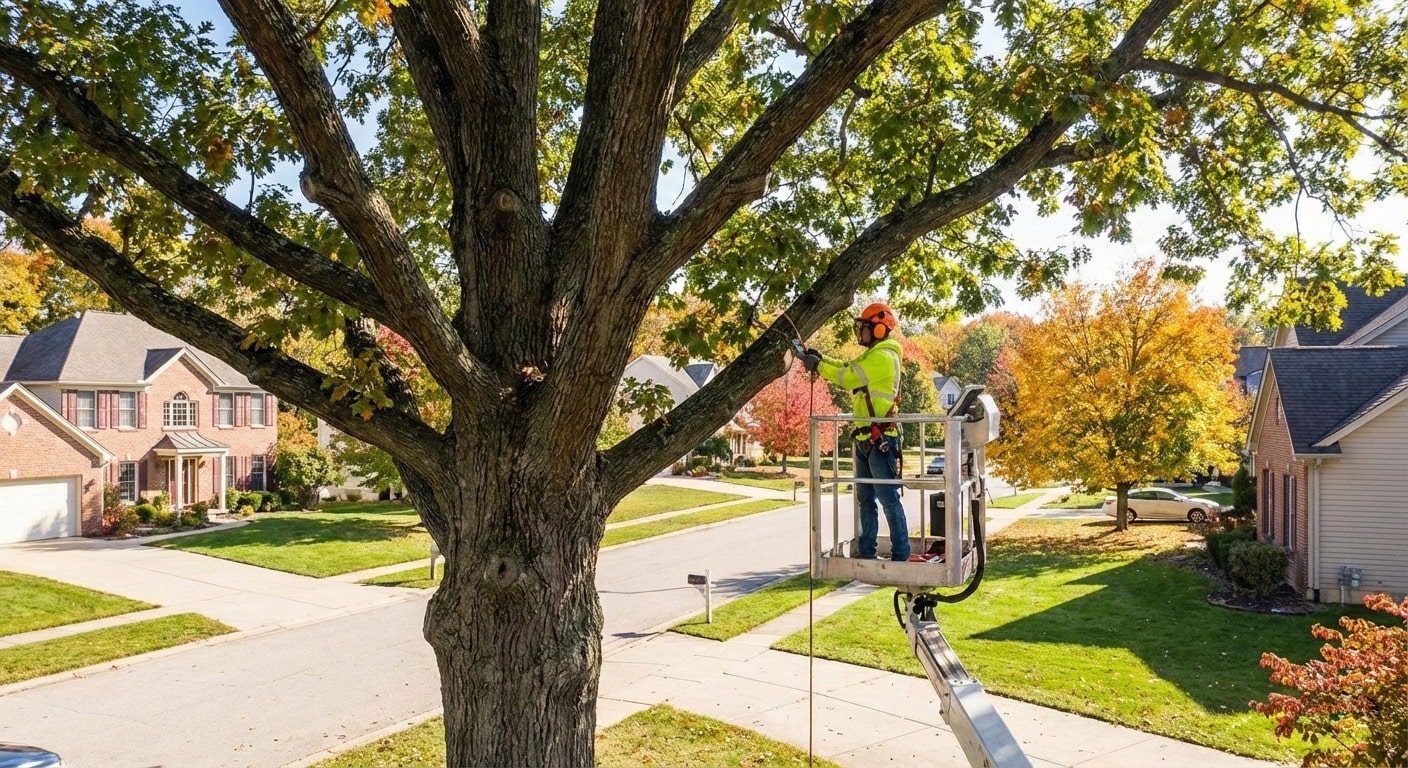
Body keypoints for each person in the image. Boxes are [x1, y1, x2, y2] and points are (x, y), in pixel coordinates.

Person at [800, 303, 909, 561]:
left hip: (880, 437)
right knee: (865, 499)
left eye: (864, 327)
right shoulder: (873, 354)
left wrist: (818, 367)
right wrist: (821, 359)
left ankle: (901, 553)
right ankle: (866, 550)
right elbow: (846, 364)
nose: (860, 332)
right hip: (864, 437)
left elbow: (848, 377)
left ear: (880, 329)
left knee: (888, 500)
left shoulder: (883, 357)